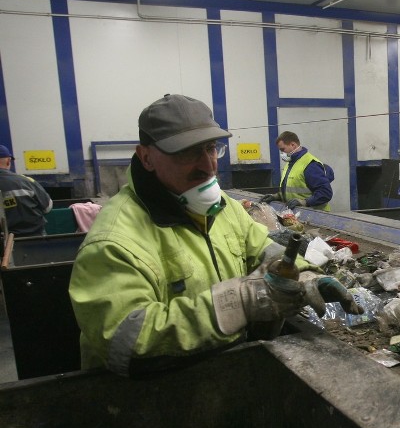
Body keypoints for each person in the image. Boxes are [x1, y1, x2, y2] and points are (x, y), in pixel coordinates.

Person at [69, 94, 357, 376]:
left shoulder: (224, 209)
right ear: (146, 157)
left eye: (210, 148)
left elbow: (264, 250)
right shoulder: (114, 240)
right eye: (187, 153)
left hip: (222, 372)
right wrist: (240, 301)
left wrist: (303, 274)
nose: (208, 165)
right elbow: (124, 342)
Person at [259, 131, 333, 210]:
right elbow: (293, 189)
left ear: (293, 145)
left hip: (316, 215)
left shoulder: (310, 165)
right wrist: (277, 196)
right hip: (298, 213)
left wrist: (304, 202)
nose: (282, 153)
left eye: (283, 149)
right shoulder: (290, 163)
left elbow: (325, 193)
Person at [0, 144, 53, 236]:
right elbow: (47, 207)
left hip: (5, 241)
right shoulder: (27, 182)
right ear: (8, 161)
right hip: (36, 237)